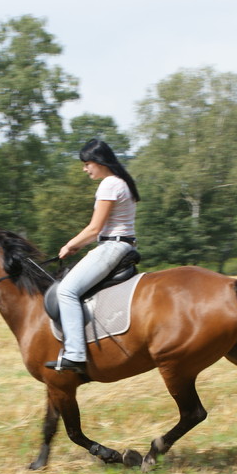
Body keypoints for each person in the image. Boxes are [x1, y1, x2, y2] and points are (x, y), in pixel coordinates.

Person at [46, 139, 141, 373]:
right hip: (121, 246)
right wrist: (81, 245)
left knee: (66, 291)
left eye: (87, 163)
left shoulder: (109, 184)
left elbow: (94, 229)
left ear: (99, 162)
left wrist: (70, 245)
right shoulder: (122, 183)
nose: (84, 169)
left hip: (112, 247)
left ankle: (76, 354)